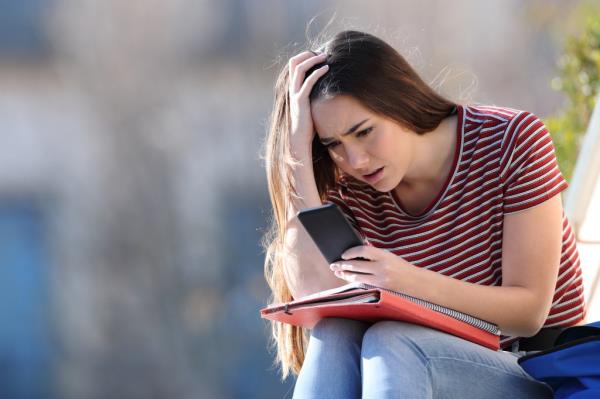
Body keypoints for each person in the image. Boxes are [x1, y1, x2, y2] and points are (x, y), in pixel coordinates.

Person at [261, 29, 587, 398]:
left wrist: (405, 281)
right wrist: (297, 159)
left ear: (398, 100)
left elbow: (529, 314)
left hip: (534, 368)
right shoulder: (347, 185)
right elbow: (318, 297)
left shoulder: (510, 140)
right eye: (333, 144)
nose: (356, 160)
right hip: (412, 370)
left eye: (364, 132)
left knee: (394, 341)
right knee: (334, 334)